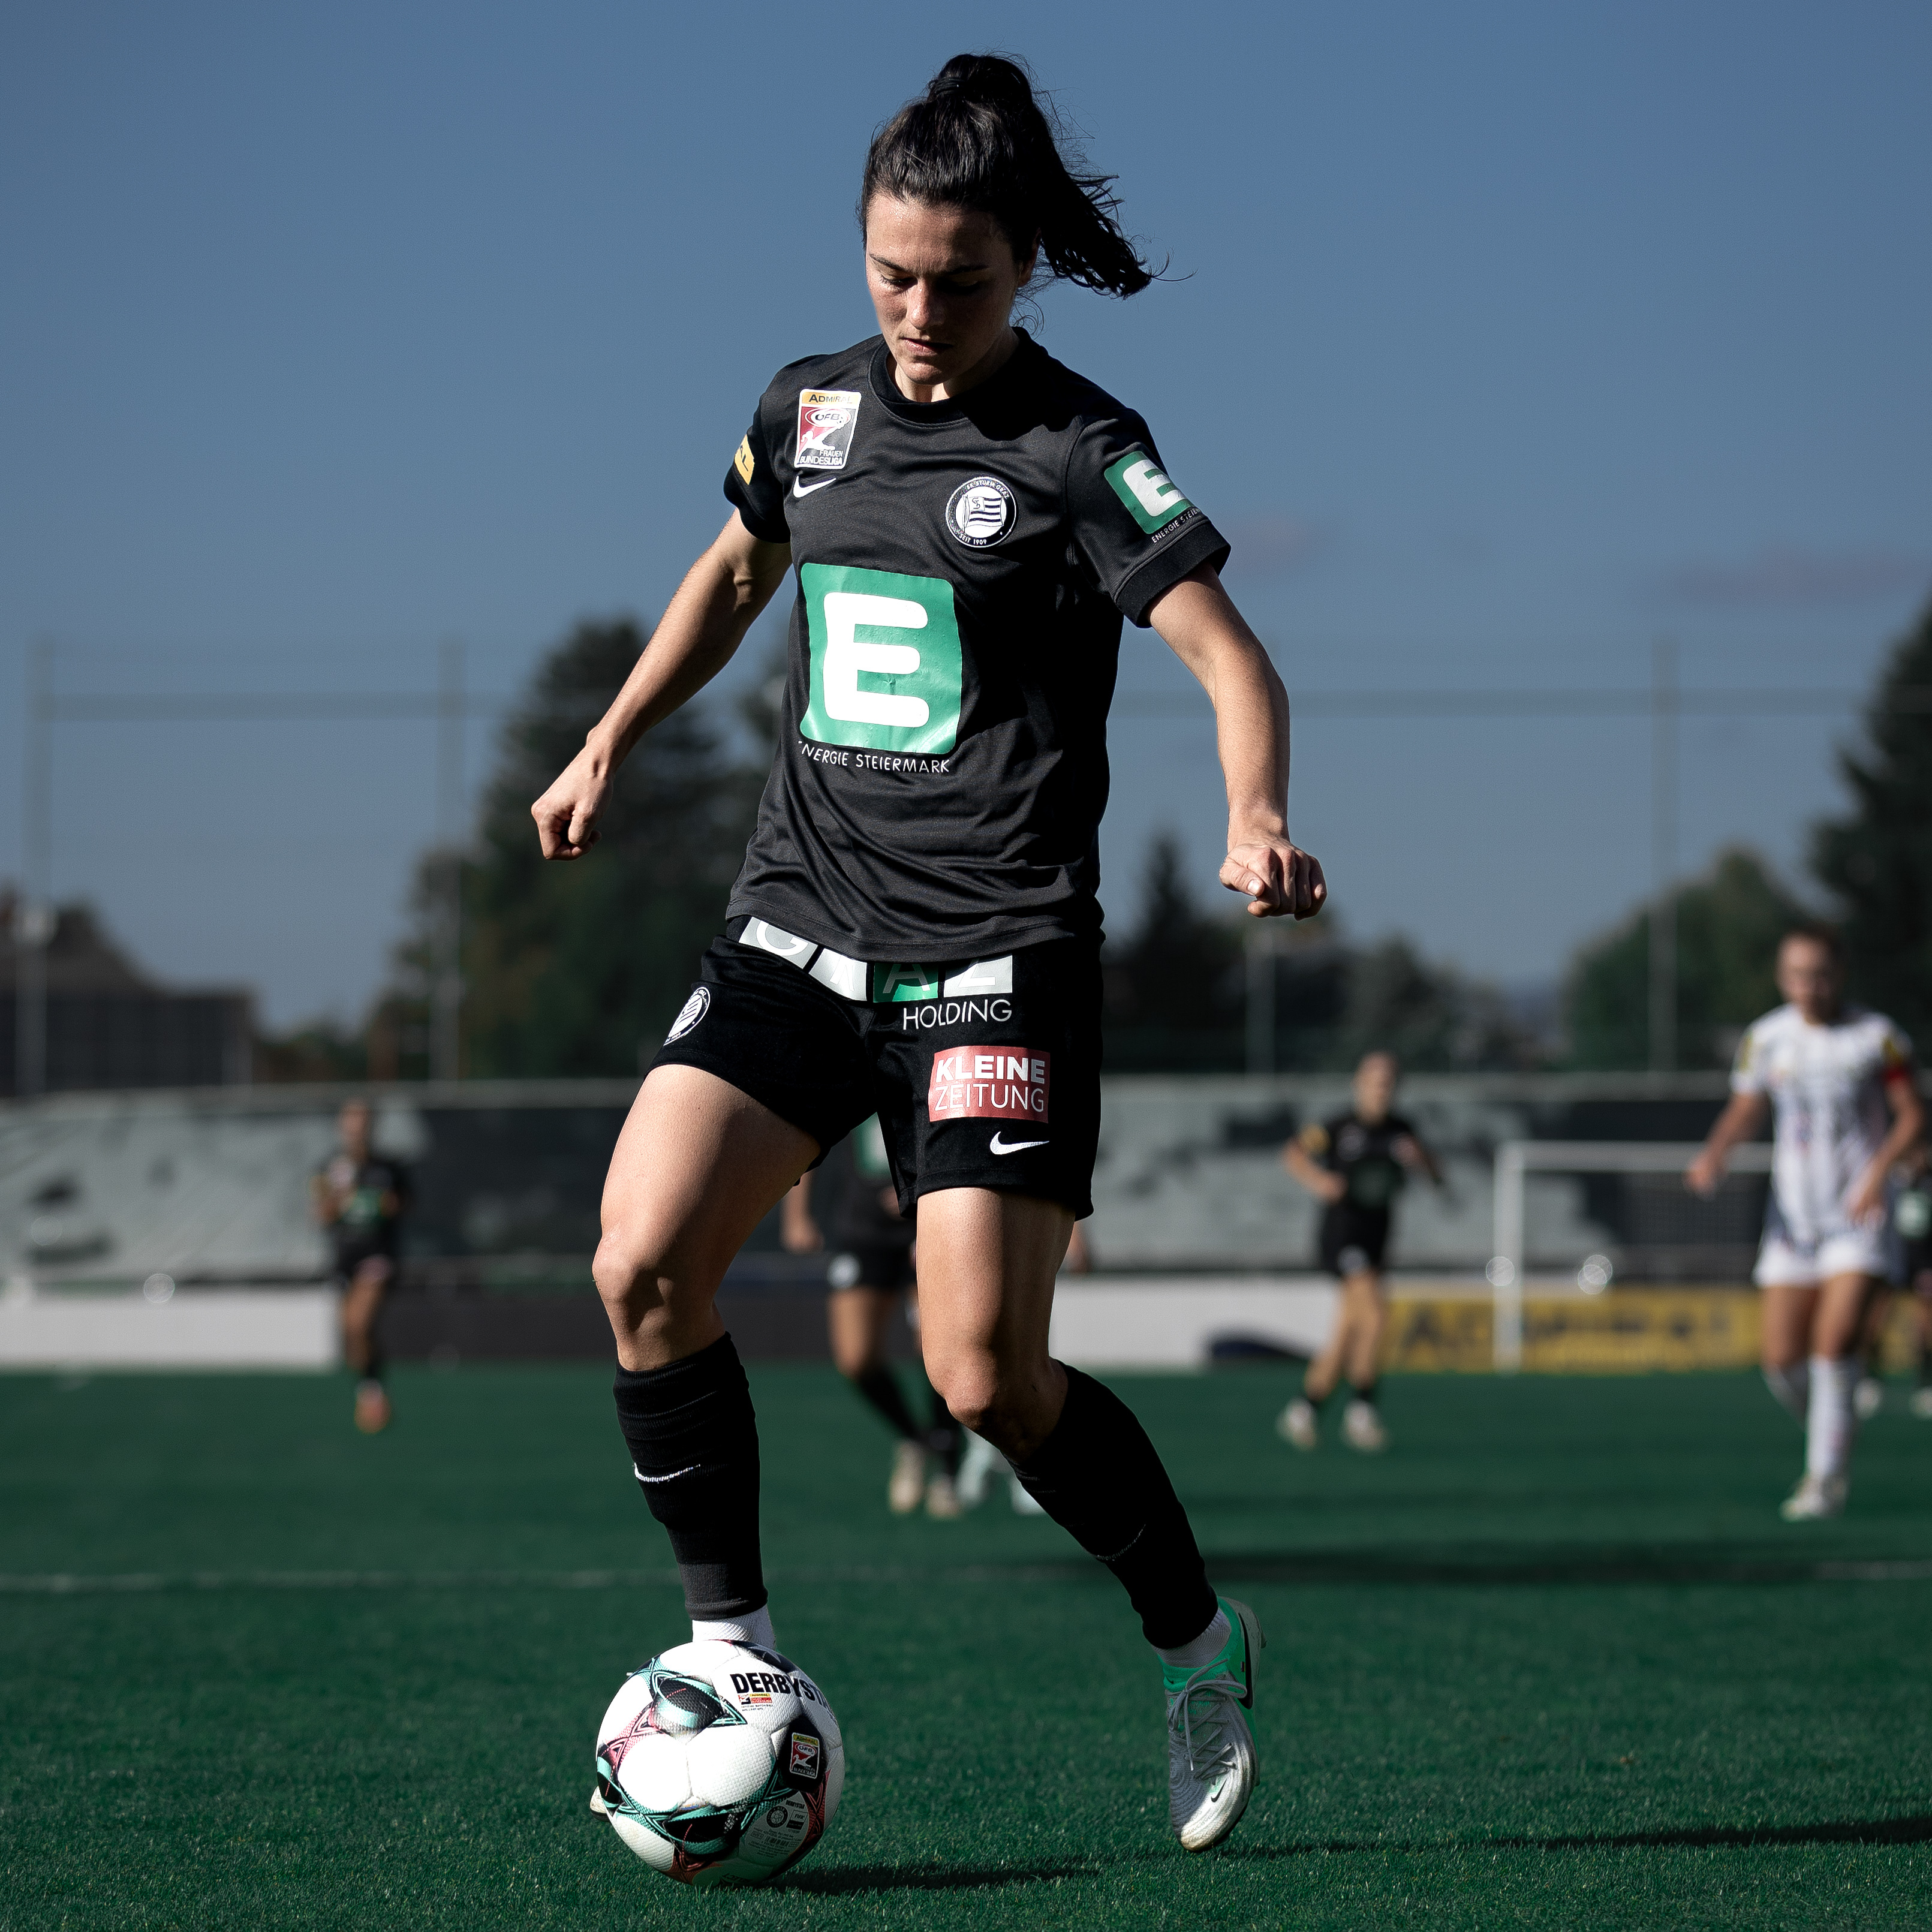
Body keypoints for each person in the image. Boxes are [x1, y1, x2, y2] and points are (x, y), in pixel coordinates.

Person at [531, 53, 1325, 1852]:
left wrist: (1256, 816)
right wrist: (609, 739)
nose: (912, 311)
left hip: (993, 962)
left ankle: (1201, 1642)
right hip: (797, 926)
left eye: (954, 282)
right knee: (641, 1260)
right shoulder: (808, 411)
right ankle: (732, 1654)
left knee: (984, 1378)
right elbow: (737, 571)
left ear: (1022, 265)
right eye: (889, 271)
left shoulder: (1079, 447)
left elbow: (1231, 657)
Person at [1687, 925, 1923, 1520]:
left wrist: (1877, 1176)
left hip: (1859, 1218)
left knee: (1834, 1344)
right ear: (1781, 978)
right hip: (1792, 1222)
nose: (1809, 987)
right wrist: (1716, 1151)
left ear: (1839, 974)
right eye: (1797, 975)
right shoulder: (1766, 1039)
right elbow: (1747, 1106)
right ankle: (1836, 1424)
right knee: (1782, 1362)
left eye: (1819, 974)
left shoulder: (1878, 1038)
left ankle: (1824, 1478)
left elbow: (1912, 1117)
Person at [780, 1115, 964, 1518]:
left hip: (928, 1221)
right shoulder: (853, 1062)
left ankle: (949, 1468)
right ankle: (915, 1440)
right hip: (863, 1230)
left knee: (937, 1351)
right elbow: (811, 1132)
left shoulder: (933, 1057)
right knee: (856, 1358)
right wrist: (797, 1215)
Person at [1276, 1051, 1440, 1453]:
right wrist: (1320, 1182)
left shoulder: (1402, 1131)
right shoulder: (1337, 1127)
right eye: (1374, 1080)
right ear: (1359, 1084)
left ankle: (1304, 1410)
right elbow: (1293, 1154)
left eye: (1388, 1081)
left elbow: (1436, 1176)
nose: (1381, 1088)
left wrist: (1422, 1162)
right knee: (1377, 1315)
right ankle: (1362, 1411)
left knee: (1349, 1332)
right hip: (1342, 1237)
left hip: (1377, 1239)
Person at [311, 1099, 410, 1434]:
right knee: (352, 1335)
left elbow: (400, 1206)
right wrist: (342, 1192)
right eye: (351, 1120)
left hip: (377, 1256)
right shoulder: (328, 1167)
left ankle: (372, 1396)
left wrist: (373, 1195)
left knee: (358, 1323)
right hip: (344, 1259)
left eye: (363, 1120)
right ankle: (371, 1389)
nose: (357, 1128)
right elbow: (322, 1215)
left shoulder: (388, 1168)